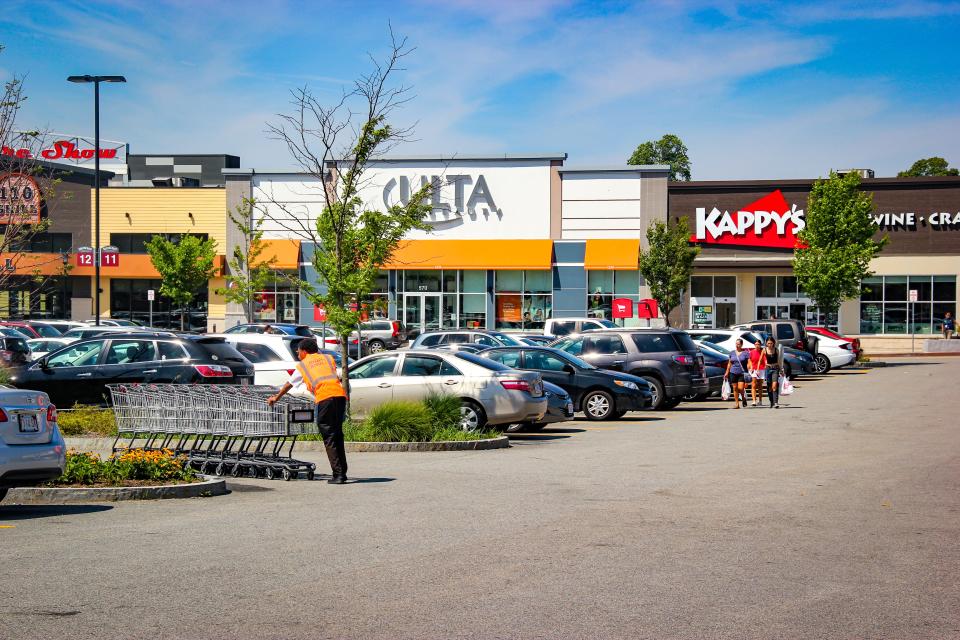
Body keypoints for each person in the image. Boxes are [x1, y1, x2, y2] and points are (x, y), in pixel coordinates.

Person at [267, 338, 349, 484]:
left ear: (304, 351)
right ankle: (342, 471)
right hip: (340, 396)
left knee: (329, 437)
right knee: (337, 434)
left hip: (325, 398)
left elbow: (288, 385)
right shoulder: (327, 358)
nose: (298, 352)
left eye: (298, 350)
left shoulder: (303, 365)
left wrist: (276, 398)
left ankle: (338, 475)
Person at [756, 336, 783, 409]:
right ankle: (771, 401)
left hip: (775, 368)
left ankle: (776, 402)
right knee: (769, 387)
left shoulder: (776, 350)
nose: (770, 345)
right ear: (766, 343)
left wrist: (781, 370)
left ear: (773, 343)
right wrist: (758, 369)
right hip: (768, 369)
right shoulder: (764, 350)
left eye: (771, 343)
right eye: (768, 343)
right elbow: (760, 360)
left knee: (774, 386)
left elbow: (779, 361)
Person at [723, 338, 751, 409]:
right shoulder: (732, 353)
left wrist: (750, 367)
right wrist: (727, 372)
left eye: (738, 344)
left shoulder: (745, 353)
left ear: (741, 345)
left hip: (742, 372)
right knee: (735, 388)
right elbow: (729, 363)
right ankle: (737, 404)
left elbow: (749, 362)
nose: (737, 345)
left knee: (740, 388)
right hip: (733, 372)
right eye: (736, 344)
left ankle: (743, 398)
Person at [747, 339, 764, 407]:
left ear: (760, 345)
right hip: (753, 369)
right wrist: (750, 367)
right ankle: (754, 400)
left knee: (760, 385)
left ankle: (760, 400)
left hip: (761, 369)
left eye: (758, 344)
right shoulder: (751, 352)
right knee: (753, 385)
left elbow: (765, 360)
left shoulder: (763, 351)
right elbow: (749, 360)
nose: (757, 346)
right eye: (756, 344)